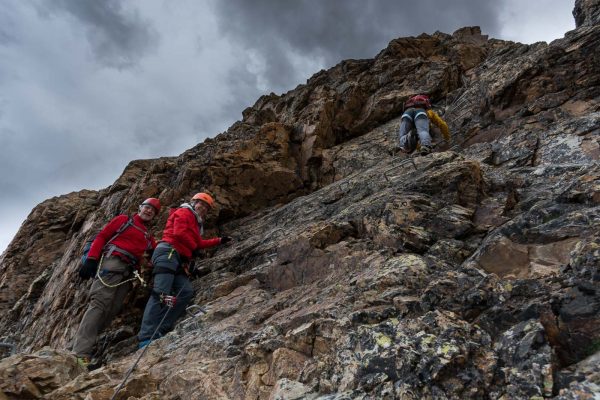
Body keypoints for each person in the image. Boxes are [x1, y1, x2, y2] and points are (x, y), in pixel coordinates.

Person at [73, 198, 160, 367]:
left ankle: (79, 347)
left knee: (110, 312)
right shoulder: (124, 220)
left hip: (127, 275)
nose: (149, 211)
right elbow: (102, 236)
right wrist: (91, 259)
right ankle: (80, 354)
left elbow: (155, 256)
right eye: (147, 207)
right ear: (140, 207)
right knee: (98, 306)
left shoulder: (148, 237)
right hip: (111, 265)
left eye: (153, 211)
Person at [137, 192, 232, 348]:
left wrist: (220, 240)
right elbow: (179, 233)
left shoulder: (196, 223)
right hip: (168, 252)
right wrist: (194, 248)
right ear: (193, 202)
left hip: (178, 259)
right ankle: (146, 336)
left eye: (206, 207)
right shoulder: (184, 211)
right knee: (161, 293)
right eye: (201, 203)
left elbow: (198, 243)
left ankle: (160, 328)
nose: (203, 208)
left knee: (185, 291)